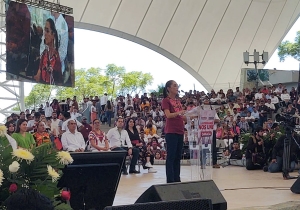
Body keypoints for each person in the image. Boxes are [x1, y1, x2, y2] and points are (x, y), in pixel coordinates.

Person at [161, 80, 186, 183]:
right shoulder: (166, 101)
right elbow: (168, 115)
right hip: (171, 131)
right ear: (169, 88)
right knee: (171, 156)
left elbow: (182, 117)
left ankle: (177, 178)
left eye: (177, 86)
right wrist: (179, 112)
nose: (177, 87)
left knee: (177, 157)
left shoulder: (177, 101)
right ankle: (170, 180)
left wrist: (193, 115)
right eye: (174, 86)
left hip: (180, 130)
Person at [34, 18, 62, 84]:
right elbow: (38, 74)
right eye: (44, 31)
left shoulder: (56, 57)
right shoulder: (44, 54)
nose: (44, 34)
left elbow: (60, 81)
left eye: (47, 31)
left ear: (53, 35)